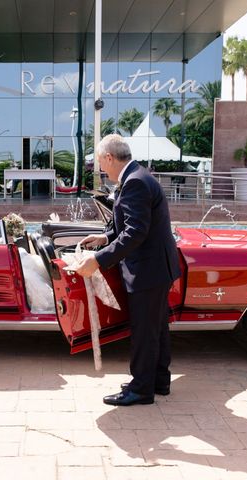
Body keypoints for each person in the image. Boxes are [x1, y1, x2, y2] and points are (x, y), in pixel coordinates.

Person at [72, 134, 181, 406]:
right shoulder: (138, 176)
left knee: (145, 331)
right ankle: (158, 380)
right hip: (157, 268)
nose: (100, 169)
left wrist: (97, 260)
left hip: (147, 270)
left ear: (109, 157)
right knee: (156, 328)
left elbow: (135, 233)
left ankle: (141, 389)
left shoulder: (134, 183)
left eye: (100, 162)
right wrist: (106, 238)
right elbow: (130, 225)